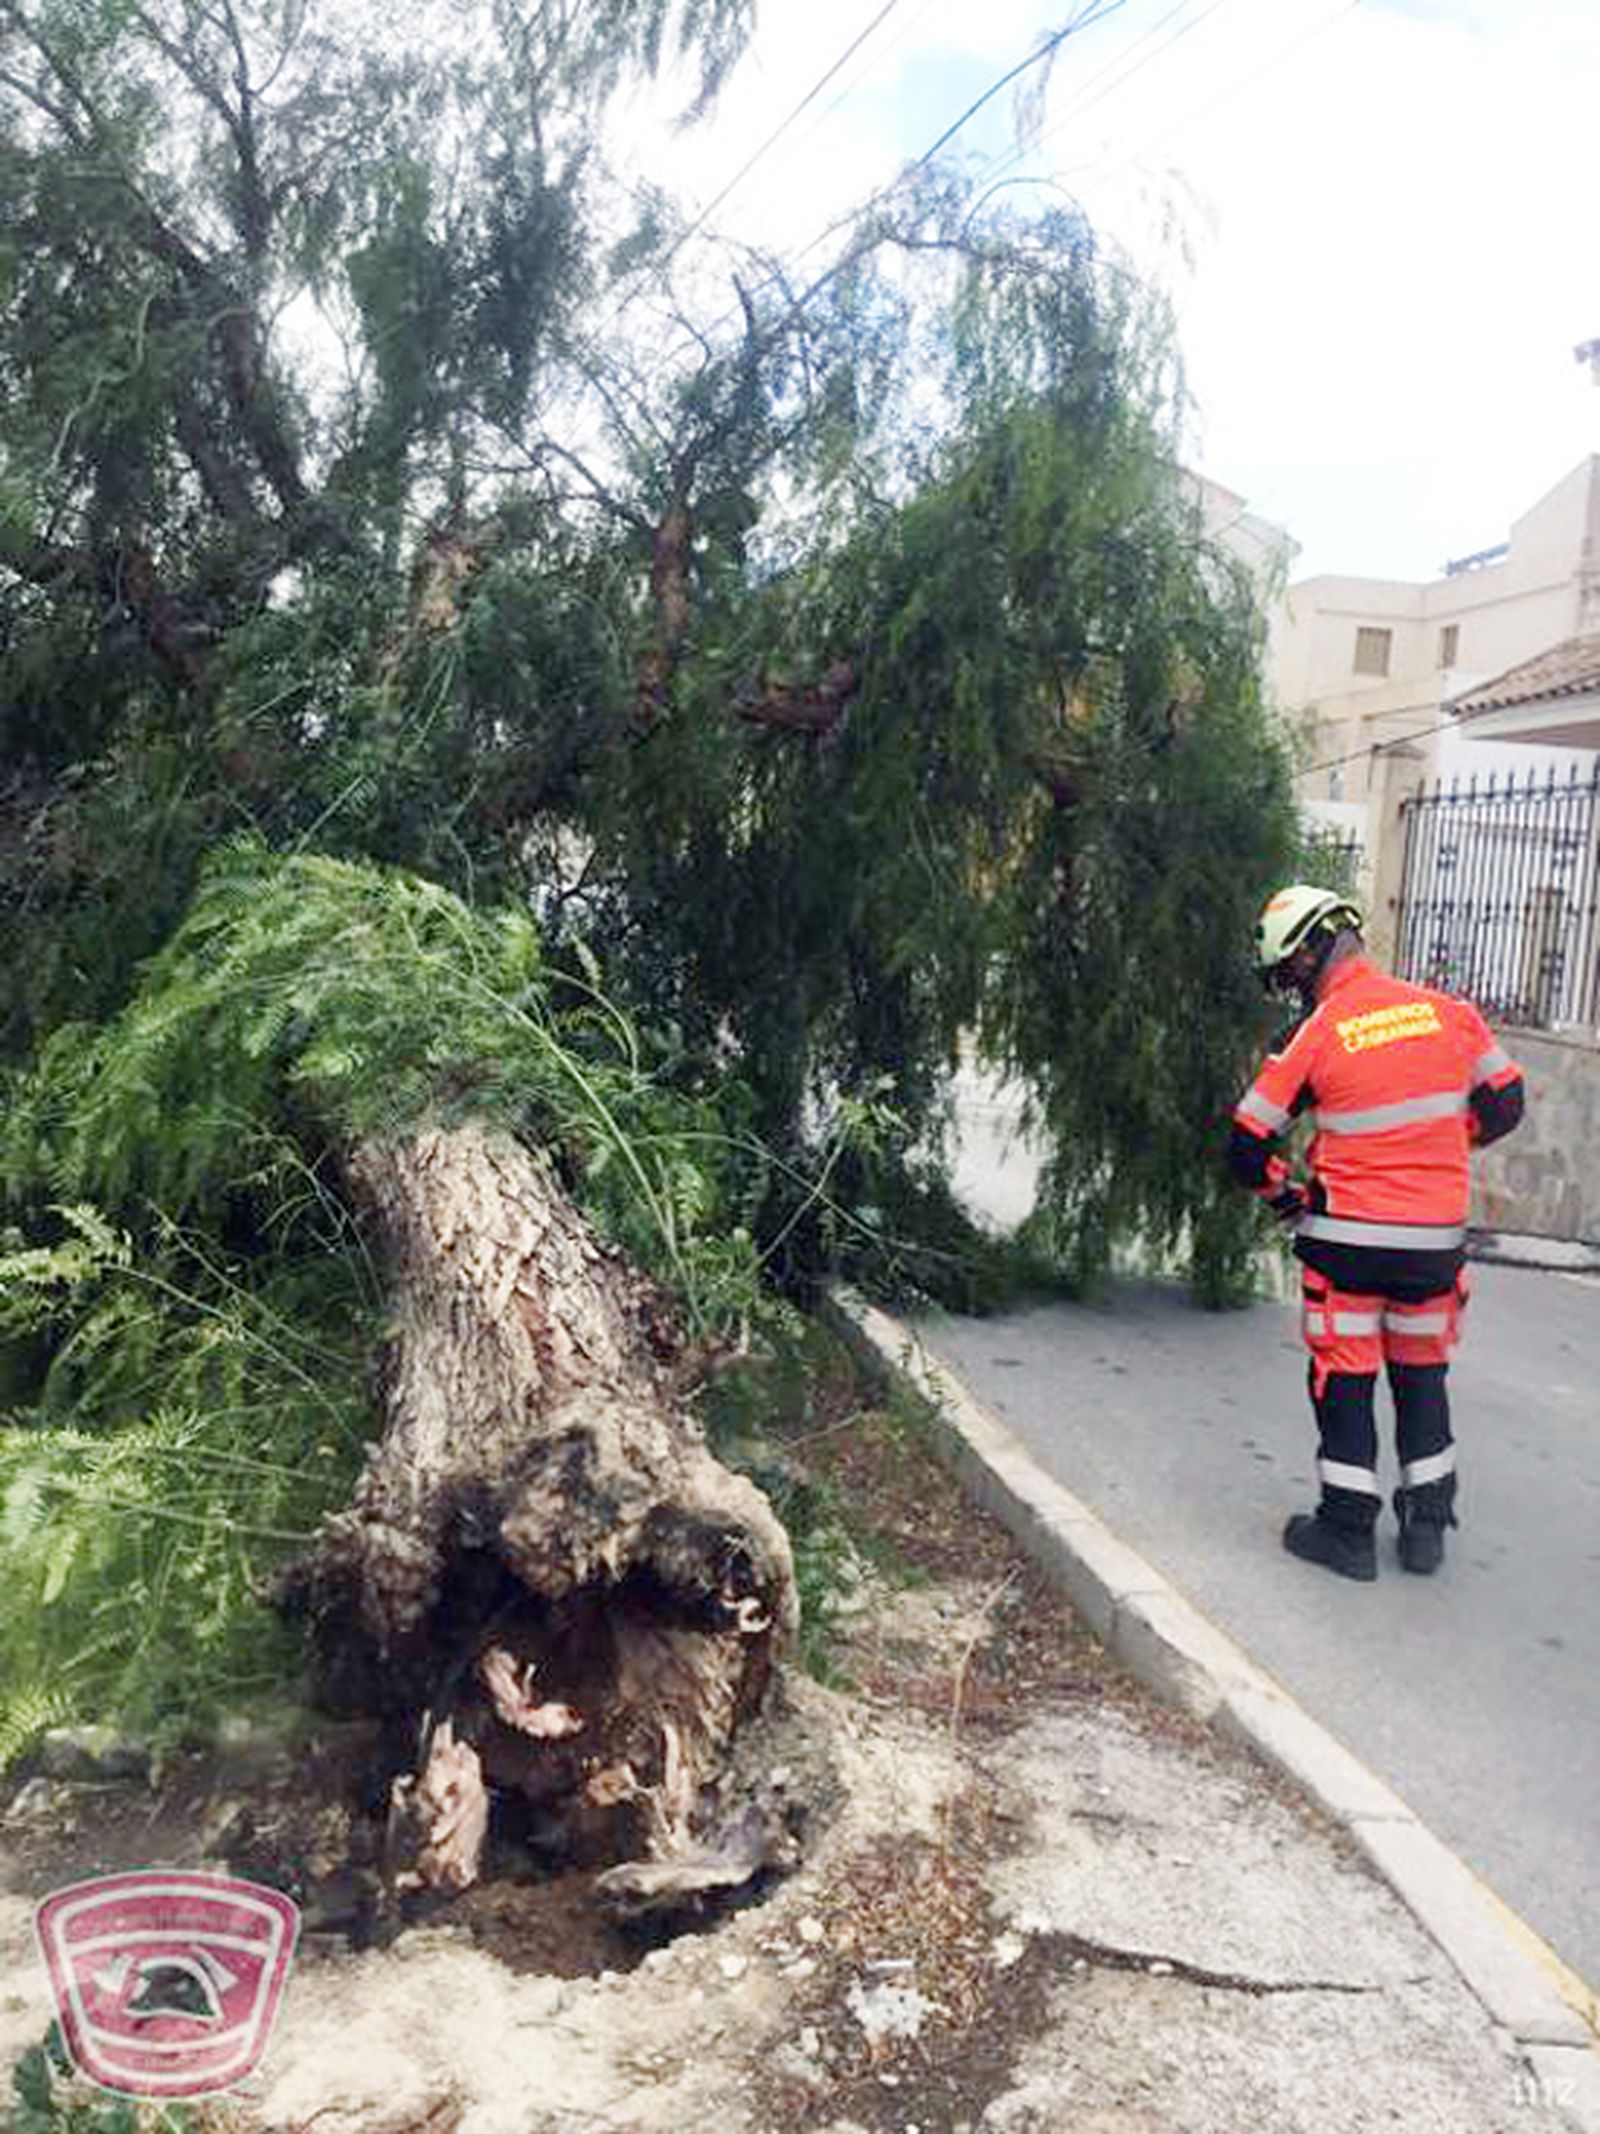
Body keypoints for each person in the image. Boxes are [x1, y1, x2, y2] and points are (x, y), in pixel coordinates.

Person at [1228, 884, 1525, 1581]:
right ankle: (1426, 1530)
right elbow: (1507, 1101)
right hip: (1433, 1248)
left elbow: (1245, 1143)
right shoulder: (1450, 1014)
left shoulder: (1320, 1033)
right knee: (1423, 1374)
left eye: (1286, 977)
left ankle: (1347, 1531)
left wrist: (1284, 1198)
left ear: (1305, 958)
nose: (1288, 991)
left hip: (1348, 1247)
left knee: (1346, 1377)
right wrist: (1444, 1148)